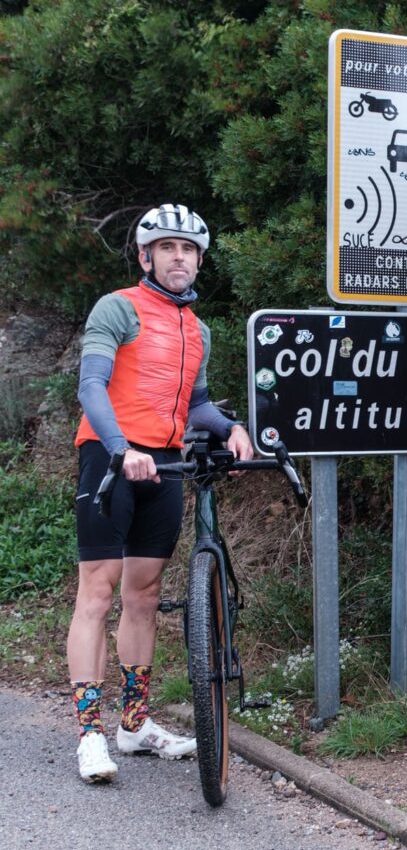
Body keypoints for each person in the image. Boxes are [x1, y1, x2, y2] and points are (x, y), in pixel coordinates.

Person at [69, 203, 254, 783]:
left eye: (189, 249)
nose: (180, 257)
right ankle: (90, 734)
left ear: (200, 260)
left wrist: (232, 427)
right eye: (168, 248)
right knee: (97, 594)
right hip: (110, 456)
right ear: (147, 256)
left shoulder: (197, 329)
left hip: (167, 463)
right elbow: (91, 384)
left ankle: (134, 724)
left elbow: (194, 404)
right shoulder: (118, 308)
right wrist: (123, 448)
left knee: (144, 595)